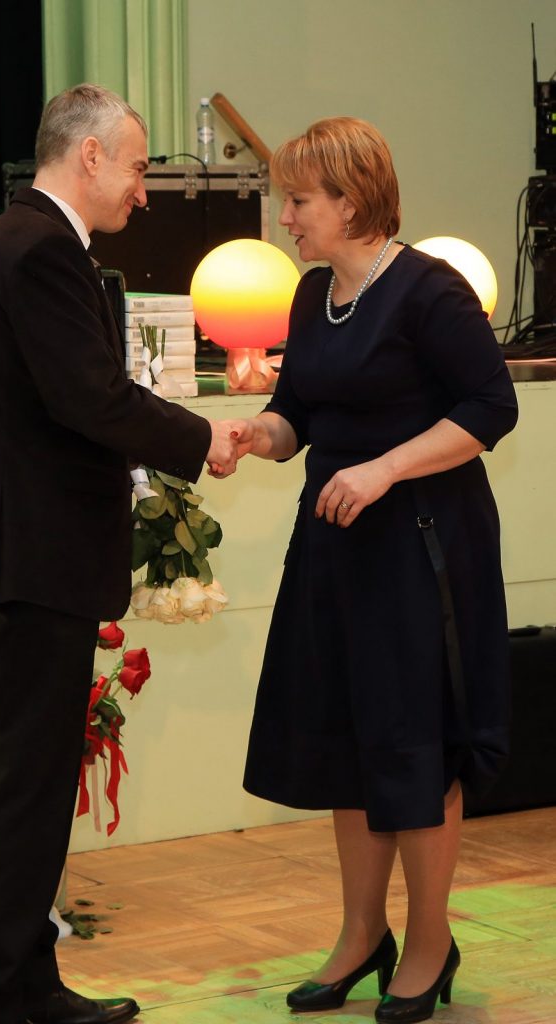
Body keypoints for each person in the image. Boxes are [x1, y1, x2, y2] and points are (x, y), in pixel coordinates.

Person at [0, 84, 238, 1024]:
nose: (145, 191)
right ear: (90, 155)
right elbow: (91, 399)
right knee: (26, 788)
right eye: (138, 168)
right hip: (37, 558)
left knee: (30, 785)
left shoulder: (17, 241)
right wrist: (204, 439)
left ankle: (20, 983)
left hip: (28, 556)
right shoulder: (40, 251)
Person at [220, 117, 518, 1023]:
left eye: (297, 201)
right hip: (335, 549)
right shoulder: (314, 293)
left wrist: (384, 468)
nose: (285, 218)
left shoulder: (430, 290)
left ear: (350, 205)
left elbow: (491, 407)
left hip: (421, 551)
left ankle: (428, 942)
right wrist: (255, 436)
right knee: (346, 741)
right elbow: (298, 415)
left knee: (414, 744)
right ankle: (360, 935)